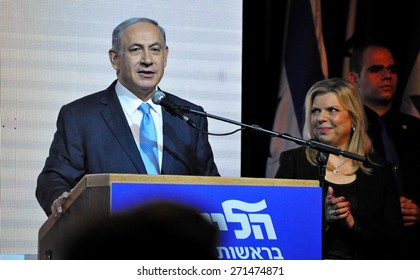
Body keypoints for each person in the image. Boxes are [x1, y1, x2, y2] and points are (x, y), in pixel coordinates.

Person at [36, 17, 219, 217]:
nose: (147, 59)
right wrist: (59, 199)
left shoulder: (188, 117)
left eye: (155, 49)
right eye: (135, 50)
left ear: (165, 56)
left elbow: (212, 185)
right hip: (109, 237)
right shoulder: (80, 116)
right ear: (115, 59)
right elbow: (54, 178)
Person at [275, 78, 404, 259]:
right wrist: (322, 218)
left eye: (332, 110)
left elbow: (394, 238)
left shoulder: (379, 169)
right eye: (315, 111)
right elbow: (278, 224)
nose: (321, 118)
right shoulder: (294, 162)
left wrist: (352, 223)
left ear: (353, 118)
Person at [348, 44, 420, 259]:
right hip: (364, 249)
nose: (387, 75)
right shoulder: (344, 131)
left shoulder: (417, 129)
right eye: (376, 69)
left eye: (392, 69)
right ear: (354, 78)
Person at [63, 200, 219, 260]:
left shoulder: (192, 127)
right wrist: (65, 204)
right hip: (114, 245)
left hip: (182, 238)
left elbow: (209, 176)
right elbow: (54, 177)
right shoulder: (81, 126)